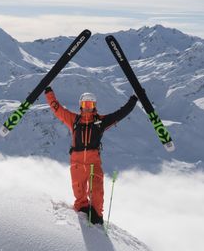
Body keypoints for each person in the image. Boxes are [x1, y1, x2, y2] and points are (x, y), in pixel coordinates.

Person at [44, 87, 138, 225]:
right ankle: (82, 216)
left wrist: (134, 99)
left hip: (94, 163)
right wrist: (48, 93)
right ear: (81, 106)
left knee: (97, 192)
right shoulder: (74, 120)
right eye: (85, 105)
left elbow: (120, 114)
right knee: (79, 193)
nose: (87, 108)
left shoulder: (100, 122)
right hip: (77, 163)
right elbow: (57, 109)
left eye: (90, 105)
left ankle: (97, 218)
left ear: (94, 106)